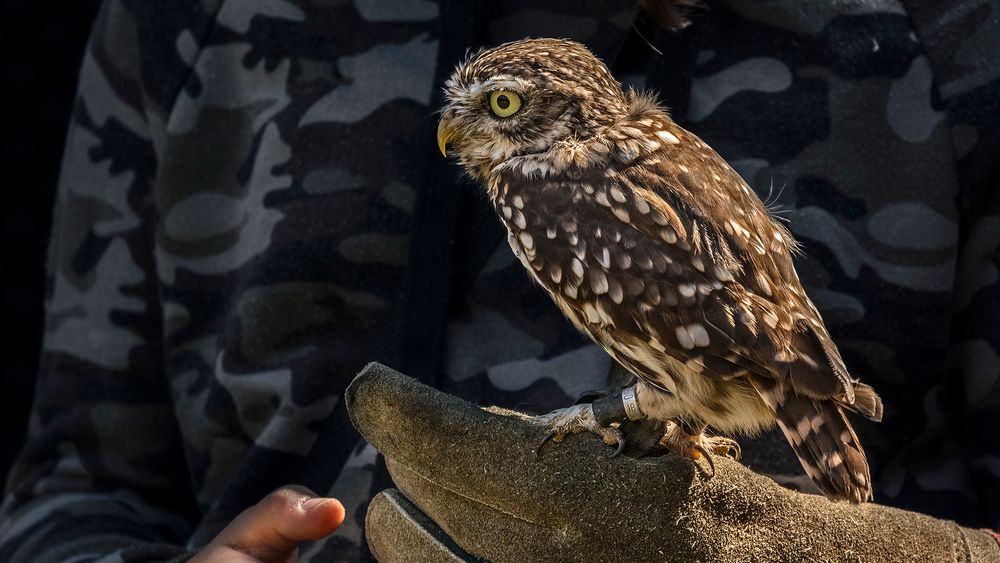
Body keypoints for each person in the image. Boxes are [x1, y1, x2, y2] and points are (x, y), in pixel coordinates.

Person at [1, 0, 997, 560]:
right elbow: (79, 488)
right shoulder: (191, 23)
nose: (459, 137)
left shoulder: (946, 34)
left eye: (506, 108)